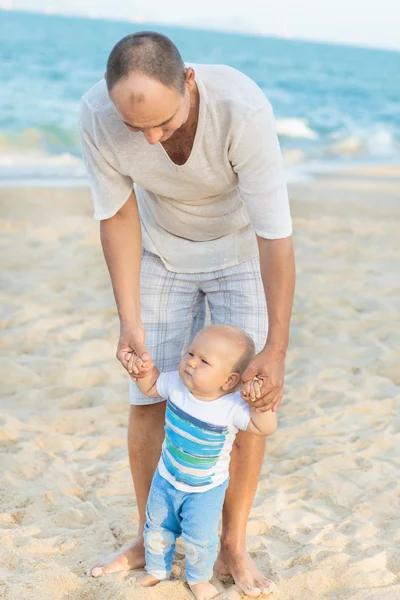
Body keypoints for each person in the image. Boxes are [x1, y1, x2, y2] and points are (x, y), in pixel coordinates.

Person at [79, 30, 295, 596]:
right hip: (161, 250)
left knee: (245, 396)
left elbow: (276, 237)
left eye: (164, 124)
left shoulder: (241, 110)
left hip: (241, 249)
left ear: (189, 83)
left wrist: (275, 348)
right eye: (135, 129)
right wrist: (129, 320)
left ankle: (232, 544)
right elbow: (118, 216)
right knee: (148, 395)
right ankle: (149, 535)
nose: (149, 140)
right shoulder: (96, 116)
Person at [132, 324, 277, 600]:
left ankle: (198, 578)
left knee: (201, 537)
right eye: (190, 353)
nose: (191, 363)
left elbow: (263, 428)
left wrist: (262, 407)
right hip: (166, 478)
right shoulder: (175, 383)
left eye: (203, 361)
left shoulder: (231, 407)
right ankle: (156, 569)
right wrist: (142, 372)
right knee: (157, 525)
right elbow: (151, 387)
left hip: (205, 489)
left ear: (228, 381)